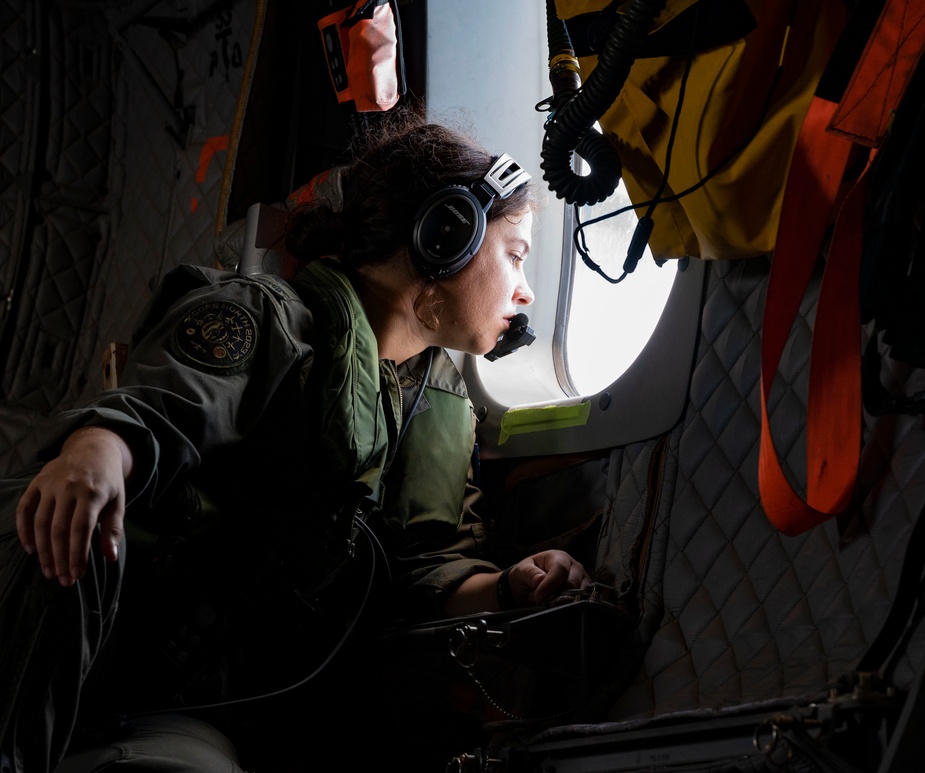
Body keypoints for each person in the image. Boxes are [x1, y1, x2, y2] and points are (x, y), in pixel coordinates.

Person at [0, 114, 591, 772]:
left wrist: (512, 585)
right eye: (514, 254)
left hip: (190, 681)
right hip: (86, 589)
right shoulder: (272, 317)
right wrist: (95, 453)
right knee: (68, 541)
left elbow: (426, 569)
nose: (525, 289)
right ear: (447, 234)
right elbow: (166, 404)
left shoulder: (436, 408)